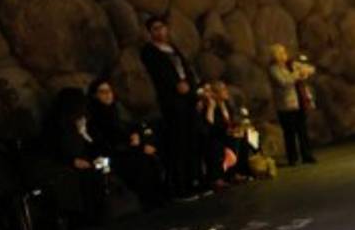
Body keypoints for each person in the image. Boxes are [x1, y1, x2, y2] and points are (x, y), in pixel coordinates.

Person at [139, 15, 203, 199]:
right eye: (155, 29)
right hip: (171, 102)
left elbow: (187, 70)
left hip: (186, 100)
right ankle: (180, 185)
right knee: (178, 142)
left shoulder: (174, 49)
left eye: (162, 27)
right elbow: (160, 74)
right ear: (150, 32)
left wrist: (193, 92)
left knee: (191, 140)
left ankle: (194, 180)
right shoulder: (150, 52)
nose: (160, 31)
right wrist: (175, 84)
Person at [86, 78, 167, 210]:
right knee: (140, 162)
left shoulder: (117, 110)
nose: (108, 94)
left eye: (109, 91)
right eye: (102, 92)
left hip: (130, 147)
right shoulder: (95, 118)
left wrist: (137, 136)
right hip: (115, 154)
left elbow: (131, 125)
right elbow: (107, 141)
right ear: (95, 95)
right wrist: (136, 145)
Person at [41, 87, 109, 225]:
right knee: (83, 181)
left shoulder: (83, 122)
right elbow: (53, 150)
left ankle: (99, 217)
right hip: (64, 167)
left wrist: (84, 134)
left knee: (97, 174)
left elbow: (94, 145)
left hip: (83, 162)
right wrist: (72, 161)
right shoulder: (54, 125)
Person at [268, 44, 317, 165]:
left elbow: (310, 69)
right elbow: (284, 82)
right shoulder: (274, 69)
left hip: (298, 101)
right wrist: (297, 74)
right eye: (281, 53)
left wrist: (304, 71)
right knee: (289, 132)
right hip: (285, 105)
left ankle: (306, 154)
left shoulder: (292, 65)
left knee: (302, 130)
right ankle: (292, 157)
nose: (285, 55)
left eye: (284, 52)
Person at [200, 81, 251, 184]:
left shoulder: (226, 105)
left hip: (225, 133)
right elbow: (210, 125)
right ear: (216, 93)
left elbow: (230, 121)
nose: (226, 92)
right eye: (223, 90)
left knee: (242, 137)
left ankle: (237, 172)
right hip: (214, 135)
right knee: (220, 143)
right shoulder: (211, 106)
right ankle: (219, 177)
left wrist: (237, 127)